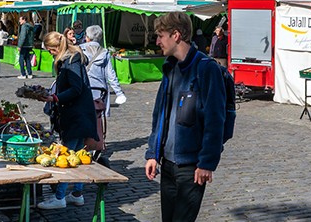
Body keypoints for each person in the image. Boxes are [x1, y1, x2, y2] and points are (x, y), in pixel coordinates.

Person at [146, 11, 227, 222]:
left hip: (192, 166)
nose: (157, 41)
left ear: (176, 35)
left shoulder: (206, 69)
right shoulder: (170, 68)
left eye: (160, 36)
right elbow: (160, 114)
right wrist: (153, 153)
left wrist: (207, 163)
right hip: (168, 164)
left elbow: (215, 120)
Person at [36, 31, 98, 210]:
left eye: (50, 51)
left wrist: (55, 99)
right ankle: (77, 194)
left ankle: (59, 197)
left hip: (76, 115)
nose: (50, 54)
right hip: (81, 114)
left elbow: (76, 89)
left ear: (56, 48)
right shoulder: (73, 59)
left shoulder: (70, 62)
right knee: (78, 155)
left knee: (67, 155)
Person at [80, 25, 127, 154]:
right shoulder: (104, 52)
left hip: (84, 88)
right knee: (98, 117)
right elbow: (110, 74)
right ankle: (99, 140)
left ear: (87, 37)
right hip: (100, 91)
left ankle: (85, 142)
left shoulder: (80, 50)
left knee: (84, 115)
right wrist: (118, 91)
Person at [17, 14, 37, 79]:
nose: (19, 21)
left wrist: (20, 45)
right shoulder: (30, 26)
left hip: (24, 45)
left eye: (20, 19)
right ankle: (30, 74)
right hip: (29, 45)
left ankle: (23, 74)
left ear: (23, 20)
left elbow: (23, 36)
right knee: (27, 59)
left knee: (21, 59)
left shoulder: (24, 26)